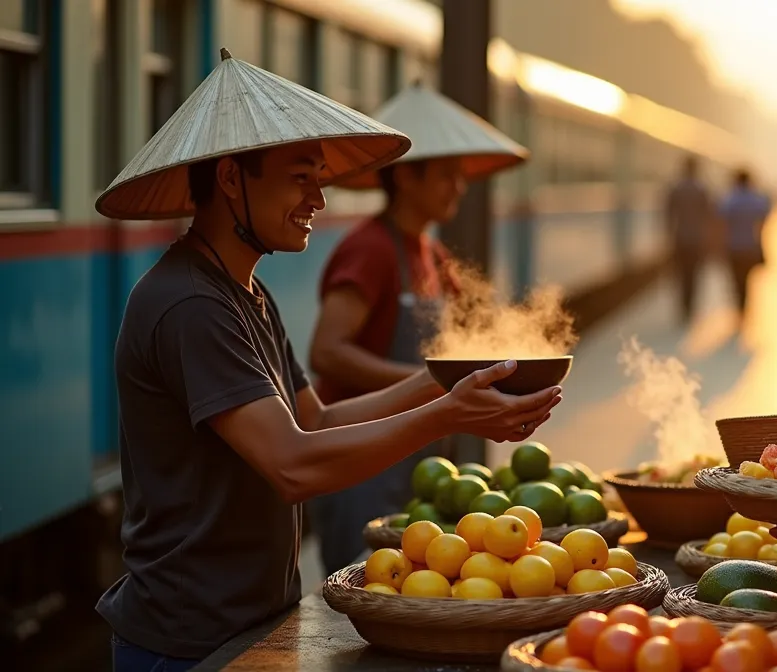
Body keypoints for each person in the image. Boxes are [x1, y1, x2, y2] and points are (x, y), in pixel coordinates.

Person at [92, 49, 560, 670]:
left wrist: (437, 381)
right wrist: (446, 416)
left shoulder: (246, 293)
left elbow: (313, 420)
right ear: (231, 178)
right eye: (299, 177)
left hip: (246, 619)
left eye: (319, 177)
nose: (318, 197)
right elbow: (292, 465)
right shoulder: (188, 305)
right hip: (186, 642)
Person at [307, 82, 530, 573]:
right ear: (406, 177)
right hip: (362, 460)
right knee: (363, 586)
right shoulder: (369, 250)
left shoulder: (433, 254)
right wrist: (428, 386)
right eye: (448, 174)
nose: (460, 186)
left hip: (418, 460)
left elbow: (466, 333)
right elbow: (326, 352)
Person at [665, 155, 715, 325]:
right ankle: (691, 307)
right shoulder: (702, 189)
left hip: (680, 238)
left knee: (681, 275)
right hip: (697, 239)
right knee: (694, 275)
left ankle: (683, 308)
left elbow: (669, 214)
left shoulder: (675, 188)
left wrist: (669, 235)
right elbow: (709, 215)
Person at [719, 168, 772, 320]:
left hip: (733, 247)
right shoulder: (756, 199)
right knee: (748, 279)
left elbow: (721, 223)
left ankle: (740, 308)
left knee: (736, 280)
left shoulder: (730, 199)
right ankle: (745, 307)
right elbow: (763, 219)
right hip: (751, 247)